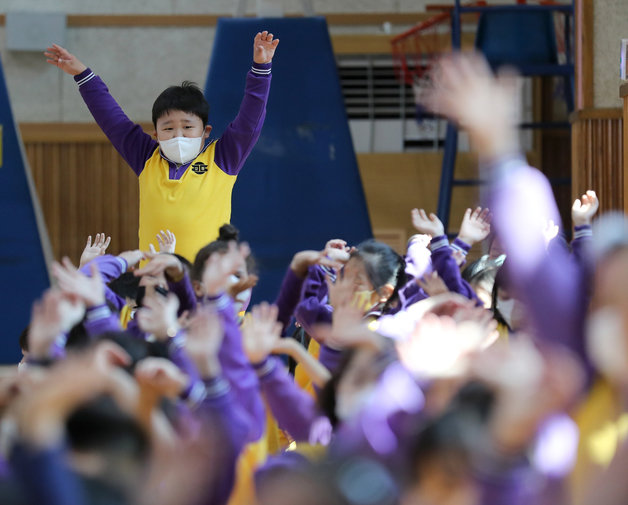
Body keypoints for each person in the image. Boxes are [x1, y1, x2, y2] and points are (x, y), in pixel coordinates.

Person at [44, 32, 279, 261]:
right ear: (155, 134)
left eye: (188, 127)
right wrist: (83, 75)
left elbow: (250, 120)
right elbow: (112, 119)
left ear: (205, 132)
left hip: (206, 287)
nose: (179, 135)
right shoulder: (146, 157)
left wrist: (261, 70)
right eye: (168, 129)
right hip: (154, 286)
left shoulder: (222, 158)